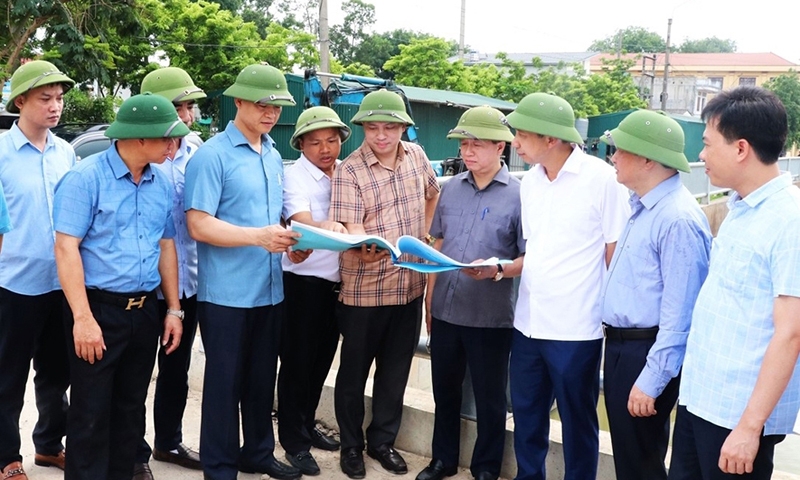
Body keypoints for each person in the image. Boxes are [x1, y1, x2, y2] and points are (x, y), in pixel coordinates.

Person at [667, 86, 800, 480]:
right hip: (700, 399)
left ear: (741, 148)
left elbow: (790, 334)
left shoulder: (789, 221)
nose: (701, 156)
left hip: (737, 417)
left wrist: (748, 427)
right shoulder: (740, 207)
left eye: (707, 145)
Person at [53, 93, 187, 480]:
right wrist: (83, 318)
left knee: (130, 409)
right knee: (90, 413)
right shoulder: (85, 179)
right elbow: (65, 248)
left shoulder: (160, 183)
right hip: (96, 309)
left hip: (144, 311)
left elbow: (166, 246)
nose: (172, 144)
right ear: (140, 138)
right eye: (166, 137)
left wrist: (173, 309)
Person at [184, 64, 306, 480]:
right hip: (226, 297)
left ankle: (257, 453)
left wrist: (294, 241)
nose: (270, 112)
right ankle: (219, 466)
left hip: (269, 291)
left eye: (276, 105)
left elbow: (274, 220)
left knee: (259, 383)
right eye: (261, 103)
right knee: (223, 387)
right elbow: (198, 223)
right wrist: (258, 237)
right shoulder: (212, 156)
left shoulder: (273, 154)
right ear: (238, 102)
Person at [506, 92, 630, 480]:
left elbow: (616, 254)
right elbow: (540, 251)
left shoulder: (603, 180)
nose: (515, 143)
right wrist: (500, 269)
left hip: (577, 329)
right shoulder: (530, 183)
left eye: (522, 135)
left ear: (551, 139)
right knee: (526, 418)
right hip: (528, 322)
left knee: (578, 424)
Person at [329, 89, 440, 479]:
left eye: (390, 128)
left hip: (409, 286)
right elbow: (352, 229)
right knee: (354, 373)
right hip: (364, 291)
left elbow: (433, 194)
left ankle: (382, 442)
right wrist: (365, 247)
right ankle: (351, 446)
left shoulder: (419, 157)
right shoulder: (350, 170)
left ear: (403, 129)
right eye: (373, 128)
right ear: (362, 128)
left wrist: (424, 234)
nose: (381, 136)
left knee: (395, 373)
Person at [598, 109, 712, 480]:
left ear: (647, 159)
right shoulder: (644, 207)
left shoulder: (677, 218)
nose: (613, 157)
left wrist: (652, 379)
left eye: (620, 150)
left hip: (645, 351)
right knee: (630, 457)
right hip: (622, 347)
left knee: (642, 461)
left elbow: (682, 312)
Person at [415, 106, 525, 480]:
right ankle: (442, 460)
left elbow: (529, 257)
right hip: (446, 310)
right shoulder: (450, 191)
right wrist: (430, 300)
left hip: (490, 315)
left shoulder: (520, 196)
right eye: (464, 144)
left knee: (491, 399)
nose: (468, 151)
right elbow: (439, 243)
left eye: (477, 144)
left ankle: (486, 468)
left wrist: (498, 269)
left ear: (500, 147)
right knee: (444, 393)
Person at [0, 60, 75, 479]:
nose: (55, 106)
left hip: (61, 282)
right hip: (12, 282)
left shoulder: (66, 153)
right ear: (21, 101)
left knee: (57, 373)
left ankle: (48, 445)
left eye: (59, 98)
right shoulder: (1, 154)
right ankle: (7, 457)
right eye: (45, 98)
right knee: (7, 377)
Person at [133, 66, 207, 480]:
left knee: (176, 369)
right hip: (146, 283)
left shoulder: (196, 150)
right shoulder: (144, 154)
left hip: (189, 279)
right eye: (180, 107)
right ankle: (134, 451)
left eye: (190, 106)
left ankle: (168, 441)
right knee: (137, 372)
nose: (187, 115)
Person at [277, 106, 351, 476]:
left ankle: (306, 426)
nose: (326, 148)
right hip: (303, 283)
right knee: (297, 364)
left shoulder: (345, 173)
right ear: (302, 144)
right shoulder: (296, 177)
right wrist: (333, 226)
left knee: (321, 362)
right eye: (316, 142)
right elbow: (303, 224)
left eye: (333, 140)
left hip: (336, 286)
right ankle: (294, 442)